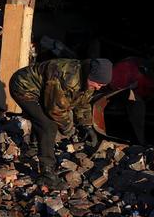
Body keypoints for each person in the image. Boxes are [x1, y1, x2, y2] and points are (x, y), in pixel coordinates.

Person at [10, 58, 112, 189]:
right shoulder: (67, 79)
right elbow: (55, 110)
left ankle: (33, 148)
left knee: (42, 119)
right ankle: (47, 174)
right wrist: (69, 130)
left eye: (102, 86)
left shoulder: (88, 79)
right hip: (23, 86)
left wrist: (87, 126)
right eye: (97, 83)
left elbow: (83, 103)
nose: (98, 87)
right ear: (90, 75)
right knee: (48, 125)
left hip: (42, 90)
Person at [108, 57, 154, 145]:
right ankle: (140, 141)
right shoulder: (125, 68)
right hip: (121, 93)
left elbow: (149, 91)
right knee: (137, 104)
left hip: (135, 95)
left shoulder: (146, 77)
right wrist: (128, 88)